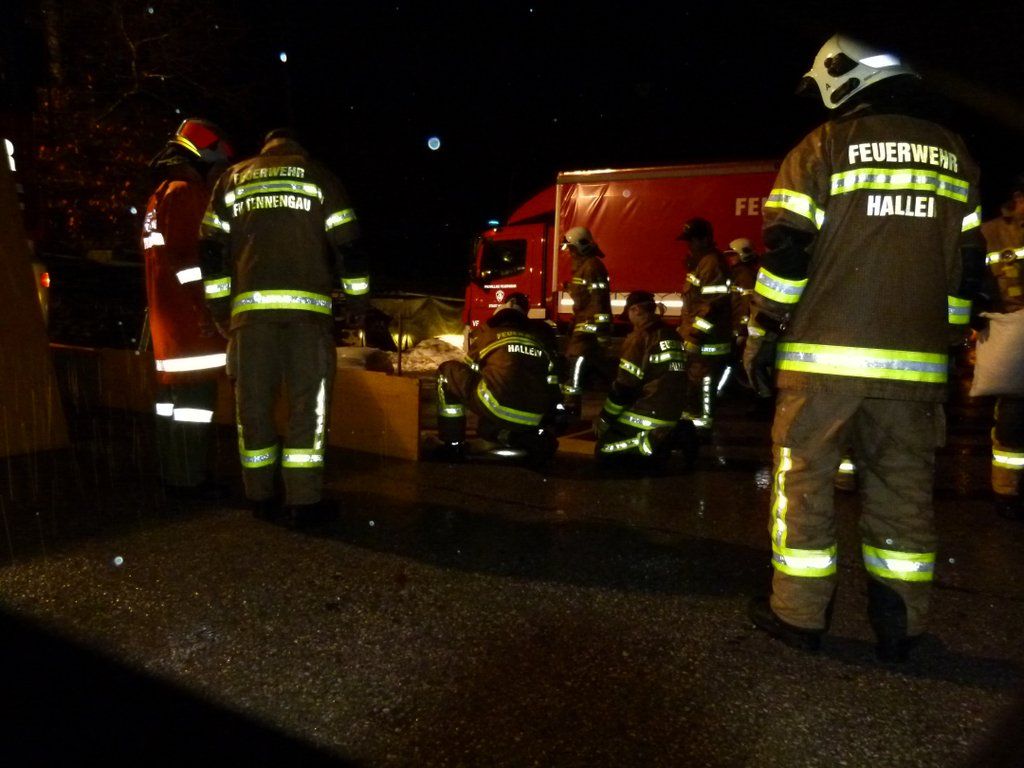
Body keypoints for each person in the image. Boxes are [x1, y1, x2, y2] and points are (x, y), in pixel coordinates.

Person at [743, 33, 985, 663]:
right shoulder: (956, 155)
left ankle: (798, 617)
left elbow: (786, 255)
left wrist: (764, 330)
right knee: (903, 496)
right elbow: (966, 273)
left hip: (821, 368)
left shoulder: (821, 148)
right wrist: (950, 342)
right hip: (916, 372)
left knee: (804, 490)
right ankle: (901, 627)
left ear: (843, 75)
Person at [199, 128, 369, 527]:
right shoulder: (319, 177)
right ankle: (303, 503)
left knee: (252, 408)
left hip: (250, 322)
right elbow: (350, 246)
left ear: (265, 146)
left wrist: (221, 309)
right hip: (307, 321)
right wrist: (357, 303)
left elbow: (209, 250)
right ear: (297, 147)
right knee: (307, 409)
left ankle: (259, 497)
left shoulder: (232, 179)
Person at [142, 118, 235, 501]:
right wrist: (213, 307)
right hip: (190, 327)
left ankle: (176, 476)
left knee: (172, 411)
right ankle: (190, 482)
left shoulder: (160, 194)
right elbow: (190, 261)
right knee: (195, 409)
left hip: (169, 326)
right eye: (214, 167)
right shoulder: (186, 195)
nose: (216, 176)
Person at [433, 292, 559, 463]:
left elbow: (470, 371)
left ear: (497, 317)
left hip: (497, 407)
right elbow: (552, 381)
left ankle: (452, 444)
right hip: (534, 417)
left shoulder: (487, 336)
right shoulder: (537, 341)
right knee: (487, 428)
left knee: (447, 372)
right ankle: (515, 437)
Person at [593, 290, 689, 466]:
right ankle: (677, 432)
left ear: (636, 309)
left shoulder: (639, 338)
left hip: (650, 411)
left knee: (604, 450)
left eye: (629, 313)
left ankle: (652, 443)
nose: (629, 319)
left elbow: (624, 386)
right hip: (674, 410)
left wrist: (605, 418)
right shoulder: (673, 335)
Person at [979, 175, 1024, 520]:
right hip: (1012, 331)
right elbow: (975, 279)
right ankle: (1006, 490)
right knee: (1013, 412)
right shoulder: (993, 233)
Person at [677, 217, 733, 436]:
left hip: (708, 340)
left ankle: (701, 426)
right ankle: (694, 423)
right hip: (700, 336)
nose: (689, 245)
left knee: (703, 382)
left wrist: (695, 334)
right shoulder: (703, 263)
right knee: (695, 383)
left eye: (693, 240)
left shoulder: (711, 264)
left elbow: (712, 305)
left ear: (706, 239)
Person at [560, 226, 612, 419]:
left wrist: (601, 331)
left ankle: (571, 408)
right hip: (584, 325)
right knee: (593, 371)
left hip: (589, 329)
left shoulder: (592, 267)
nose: (570, 253)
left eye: (571, 248)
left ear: (580, 247)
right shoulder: (583, 267)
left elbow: (599, 300)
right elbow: (583, 302)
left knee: (576, 364)